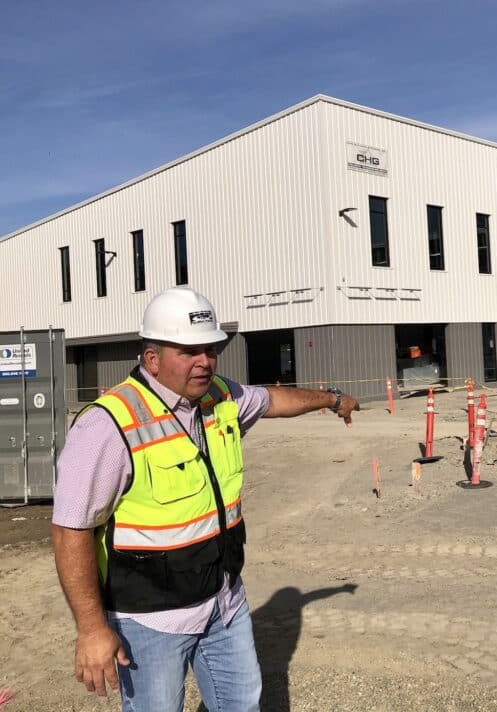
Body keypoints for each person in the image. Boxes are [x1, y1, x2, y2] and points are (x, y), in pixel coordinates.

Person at [51, 287, 359, 712]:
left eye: (210, 350)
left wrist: (335, 399)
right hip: (152, 620)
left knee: (242, 705)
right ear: (152, 357)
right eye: (189, 351)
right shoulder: (108, 424)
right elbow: (71, 528)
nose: (205, 362)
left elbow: (272, 399)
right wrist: (90, 629)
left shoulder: (219, 396)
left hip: (224, 602)